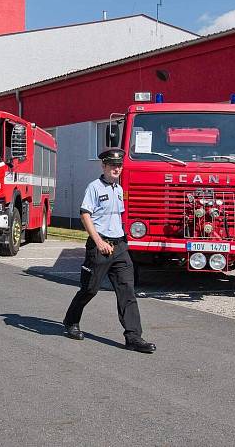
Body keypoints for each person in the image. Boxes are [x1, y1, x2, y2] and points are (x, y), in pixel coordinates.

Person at [62, 148, 156, 353]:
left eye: (119, 165)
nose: (116, 169)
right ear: (103, 166)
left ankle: (133, 337)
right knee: (90, 289)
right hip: (100, 246)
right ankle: (71, 322)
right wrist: (98, 242)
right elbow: (85, 215)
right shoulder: (94, 187)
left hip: (119, 246)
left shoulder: (119, 189)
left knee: (127, 291)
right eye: (112, 165)